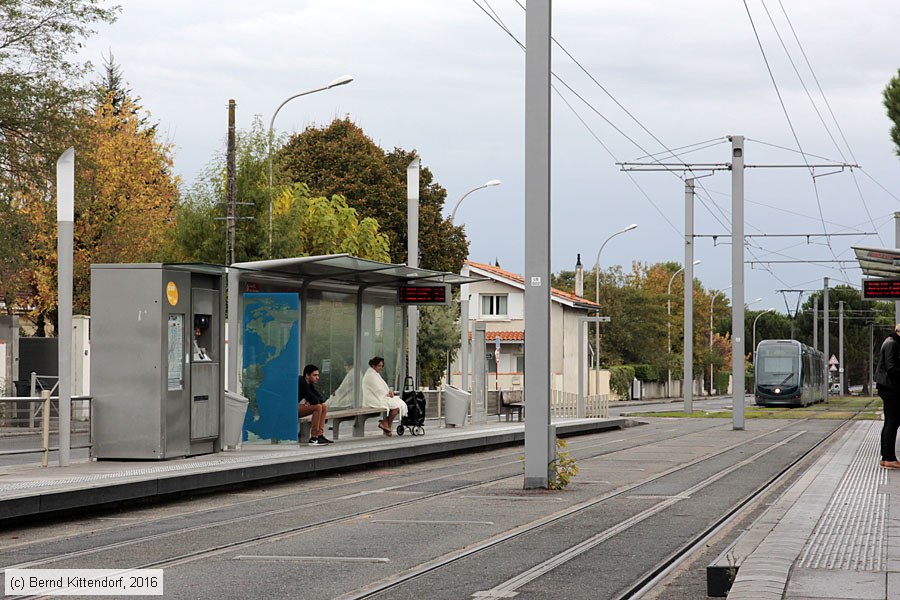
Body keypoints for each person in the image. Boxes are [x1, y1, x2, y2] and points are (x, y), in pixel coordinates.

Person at [875, 323, 900, 468]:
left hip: (887, 387)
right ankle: (889, 458)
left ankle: (886, 457)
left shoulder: (889, 342)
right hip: (890, 388)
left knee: (890, 421)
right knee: (893, 422)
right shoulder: (892, 344)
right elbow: (891, 368)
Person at [362, 356, 407, 436]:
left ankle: (386, 424)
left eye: (382, 366)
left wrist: (388, 393)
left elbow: (382, 388)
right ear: (373, 365)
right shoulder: (370, 375)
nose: (381, 368)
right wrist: (387, 394)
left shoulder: (375, 374)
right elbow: (377, 390)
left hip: (378, 397)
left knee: (398, 404)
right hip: (373, 399)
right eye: (379, 366)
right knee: (396, 406)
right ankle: (386, 424)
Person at [298, 364, 333, 445]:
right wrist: (310, 400)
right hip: (288, 408)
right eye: (315, 375)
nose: (317, 377)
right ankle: (313, 438)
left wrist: (311, 400)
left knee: (323, 406)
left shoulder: (309, 384)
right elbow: (314, 400)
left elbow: (321, 398)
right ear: (307, 375)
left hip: (294, 407)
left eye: (317, 375)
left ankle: (320, 436)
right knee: (317, 407)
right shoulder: (301, 382)